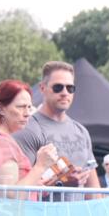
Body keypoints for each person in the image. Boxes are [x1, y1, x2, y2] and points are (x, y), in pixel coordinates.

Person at [14, 61, 98, 199]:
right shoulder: (27, 129)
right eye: (58, 87)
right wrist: (62, 183)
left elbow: (93, 189)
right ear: (42, 88)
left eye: (70, 88)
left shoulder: (81, 131)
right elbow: (19, 189)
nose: (65, 93)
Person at [0, 79, 58, 198]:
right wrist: (40, 166)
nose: (27, 113)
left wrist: (34, 184)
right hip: (4, 215)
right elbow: (10, 195)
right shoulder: (0, 144)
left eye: (29, 107)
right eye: (21, 107)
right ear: (1, 109)